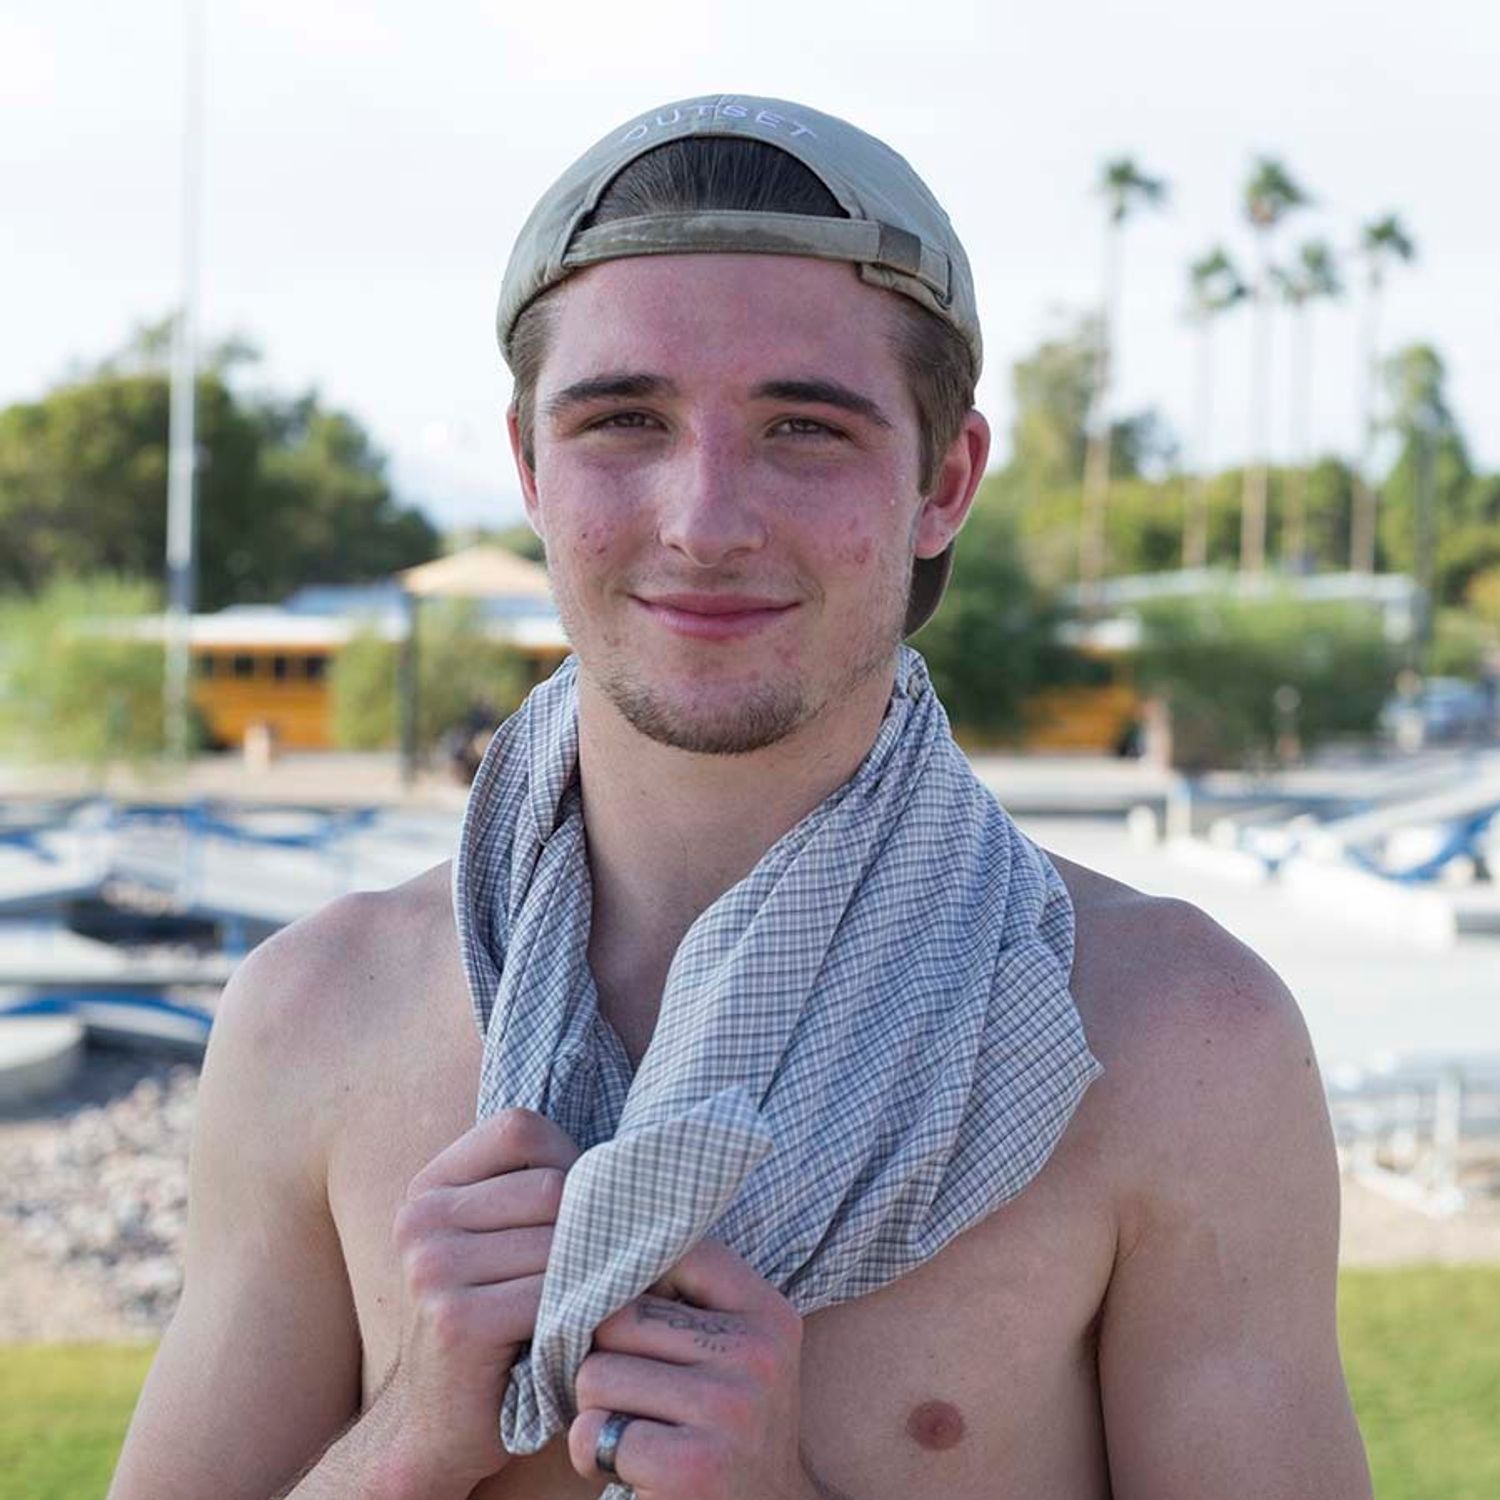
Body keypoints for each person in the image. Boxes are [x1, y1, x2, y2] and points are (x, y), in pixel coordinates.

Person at [109, 95, 1372, 1500]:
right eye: (623, 421)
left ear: (945, 481)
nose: (705, 522)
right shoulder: (312, 1020)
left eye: (805, 429)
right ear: (527, 466)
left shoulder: (1181, 1046)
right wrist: (405, 1439)